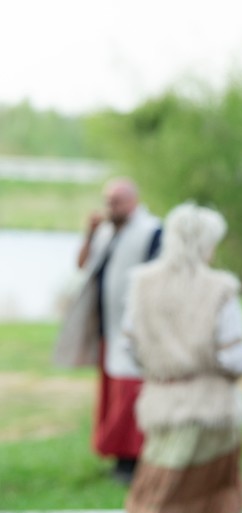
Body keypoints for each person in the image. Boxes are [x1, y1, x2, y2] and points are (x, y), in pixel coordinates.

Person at [121, 203, 242, 513]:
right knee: (202, 501)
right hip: (210, 406)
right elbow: (234, 357)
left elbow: (129, 345)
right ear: (204, 243)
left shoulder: (142, 283)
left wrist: (158, 367)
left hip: (160, 401)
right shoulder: (220, 288)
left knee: (156, 488)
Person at [54, 177, 161, 483]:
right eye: (108, 201)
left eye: (117, 201)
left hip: (133, 332)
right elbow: (82, 265)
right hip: (106, 329)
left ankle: (133, 460)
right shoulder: (104, 231)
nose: (110, 207)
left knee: (130, 395)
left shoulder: (152, 230)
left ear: (133, 200)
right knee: (111, 398)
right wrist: (89, 233)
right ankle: (117, 455)